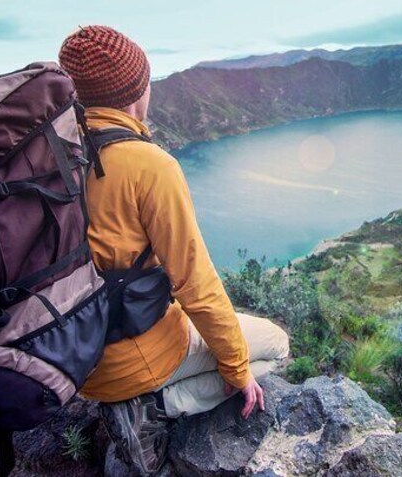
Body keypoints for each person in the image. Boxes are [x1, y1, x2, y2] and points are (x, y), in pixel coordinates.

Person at [58, 25, 290, 475]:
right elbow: (196, 286)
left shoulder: (52, 157)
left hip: (69, 359)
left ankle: (132, 399)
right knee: (276, 345)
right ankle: (159, 405)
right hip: (136, 360)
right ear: (135, 92)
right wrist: (238, 372)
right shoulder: (149, 165)